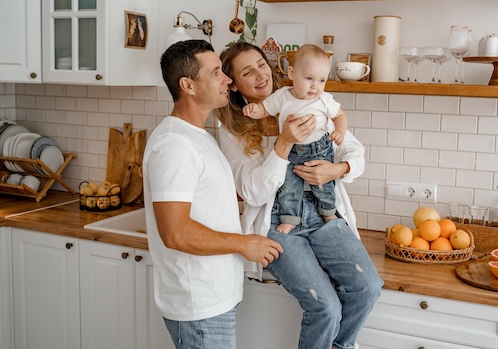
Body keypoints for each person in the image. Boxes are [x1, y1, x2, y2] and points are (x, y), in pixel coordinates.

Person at [215, 42, 383, 349]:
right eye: (247, 72)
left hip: (324, 214)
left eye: (261, 65)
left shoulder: (305, 99)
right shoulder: (230, 130)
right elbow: (252, 191)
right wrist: (284, 143)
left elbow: (353, 149)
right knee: (326, 307)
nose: (259, 75)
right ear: (235, 84)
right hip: (278, 223)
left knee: (368, 287)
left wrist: (337, 169)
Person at [142, 39, 283, 349]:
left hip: (214, 296)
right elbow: (176, 233)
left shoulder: (199, 135)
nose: (227, 80)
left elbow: (211, 200)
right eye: (216, 72)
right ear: (188, 85)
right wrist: (243, 244)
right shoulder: (174, 145)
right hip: (198, 303)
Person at [242, 44, 348, 234]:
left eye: (321, 80)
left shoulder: (323, 100)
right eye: (309, 78)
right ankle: (290, 218)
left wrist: (339, 132)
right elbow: (265, 109)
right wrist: (254, 110)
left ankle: (328, 212)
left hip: (319, 150)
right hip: (290, 152)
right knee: (289, 186)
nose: (315, 86)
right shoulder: (282, 96)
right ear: (292, 73)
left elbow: (340, 116)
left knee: (323, 186)